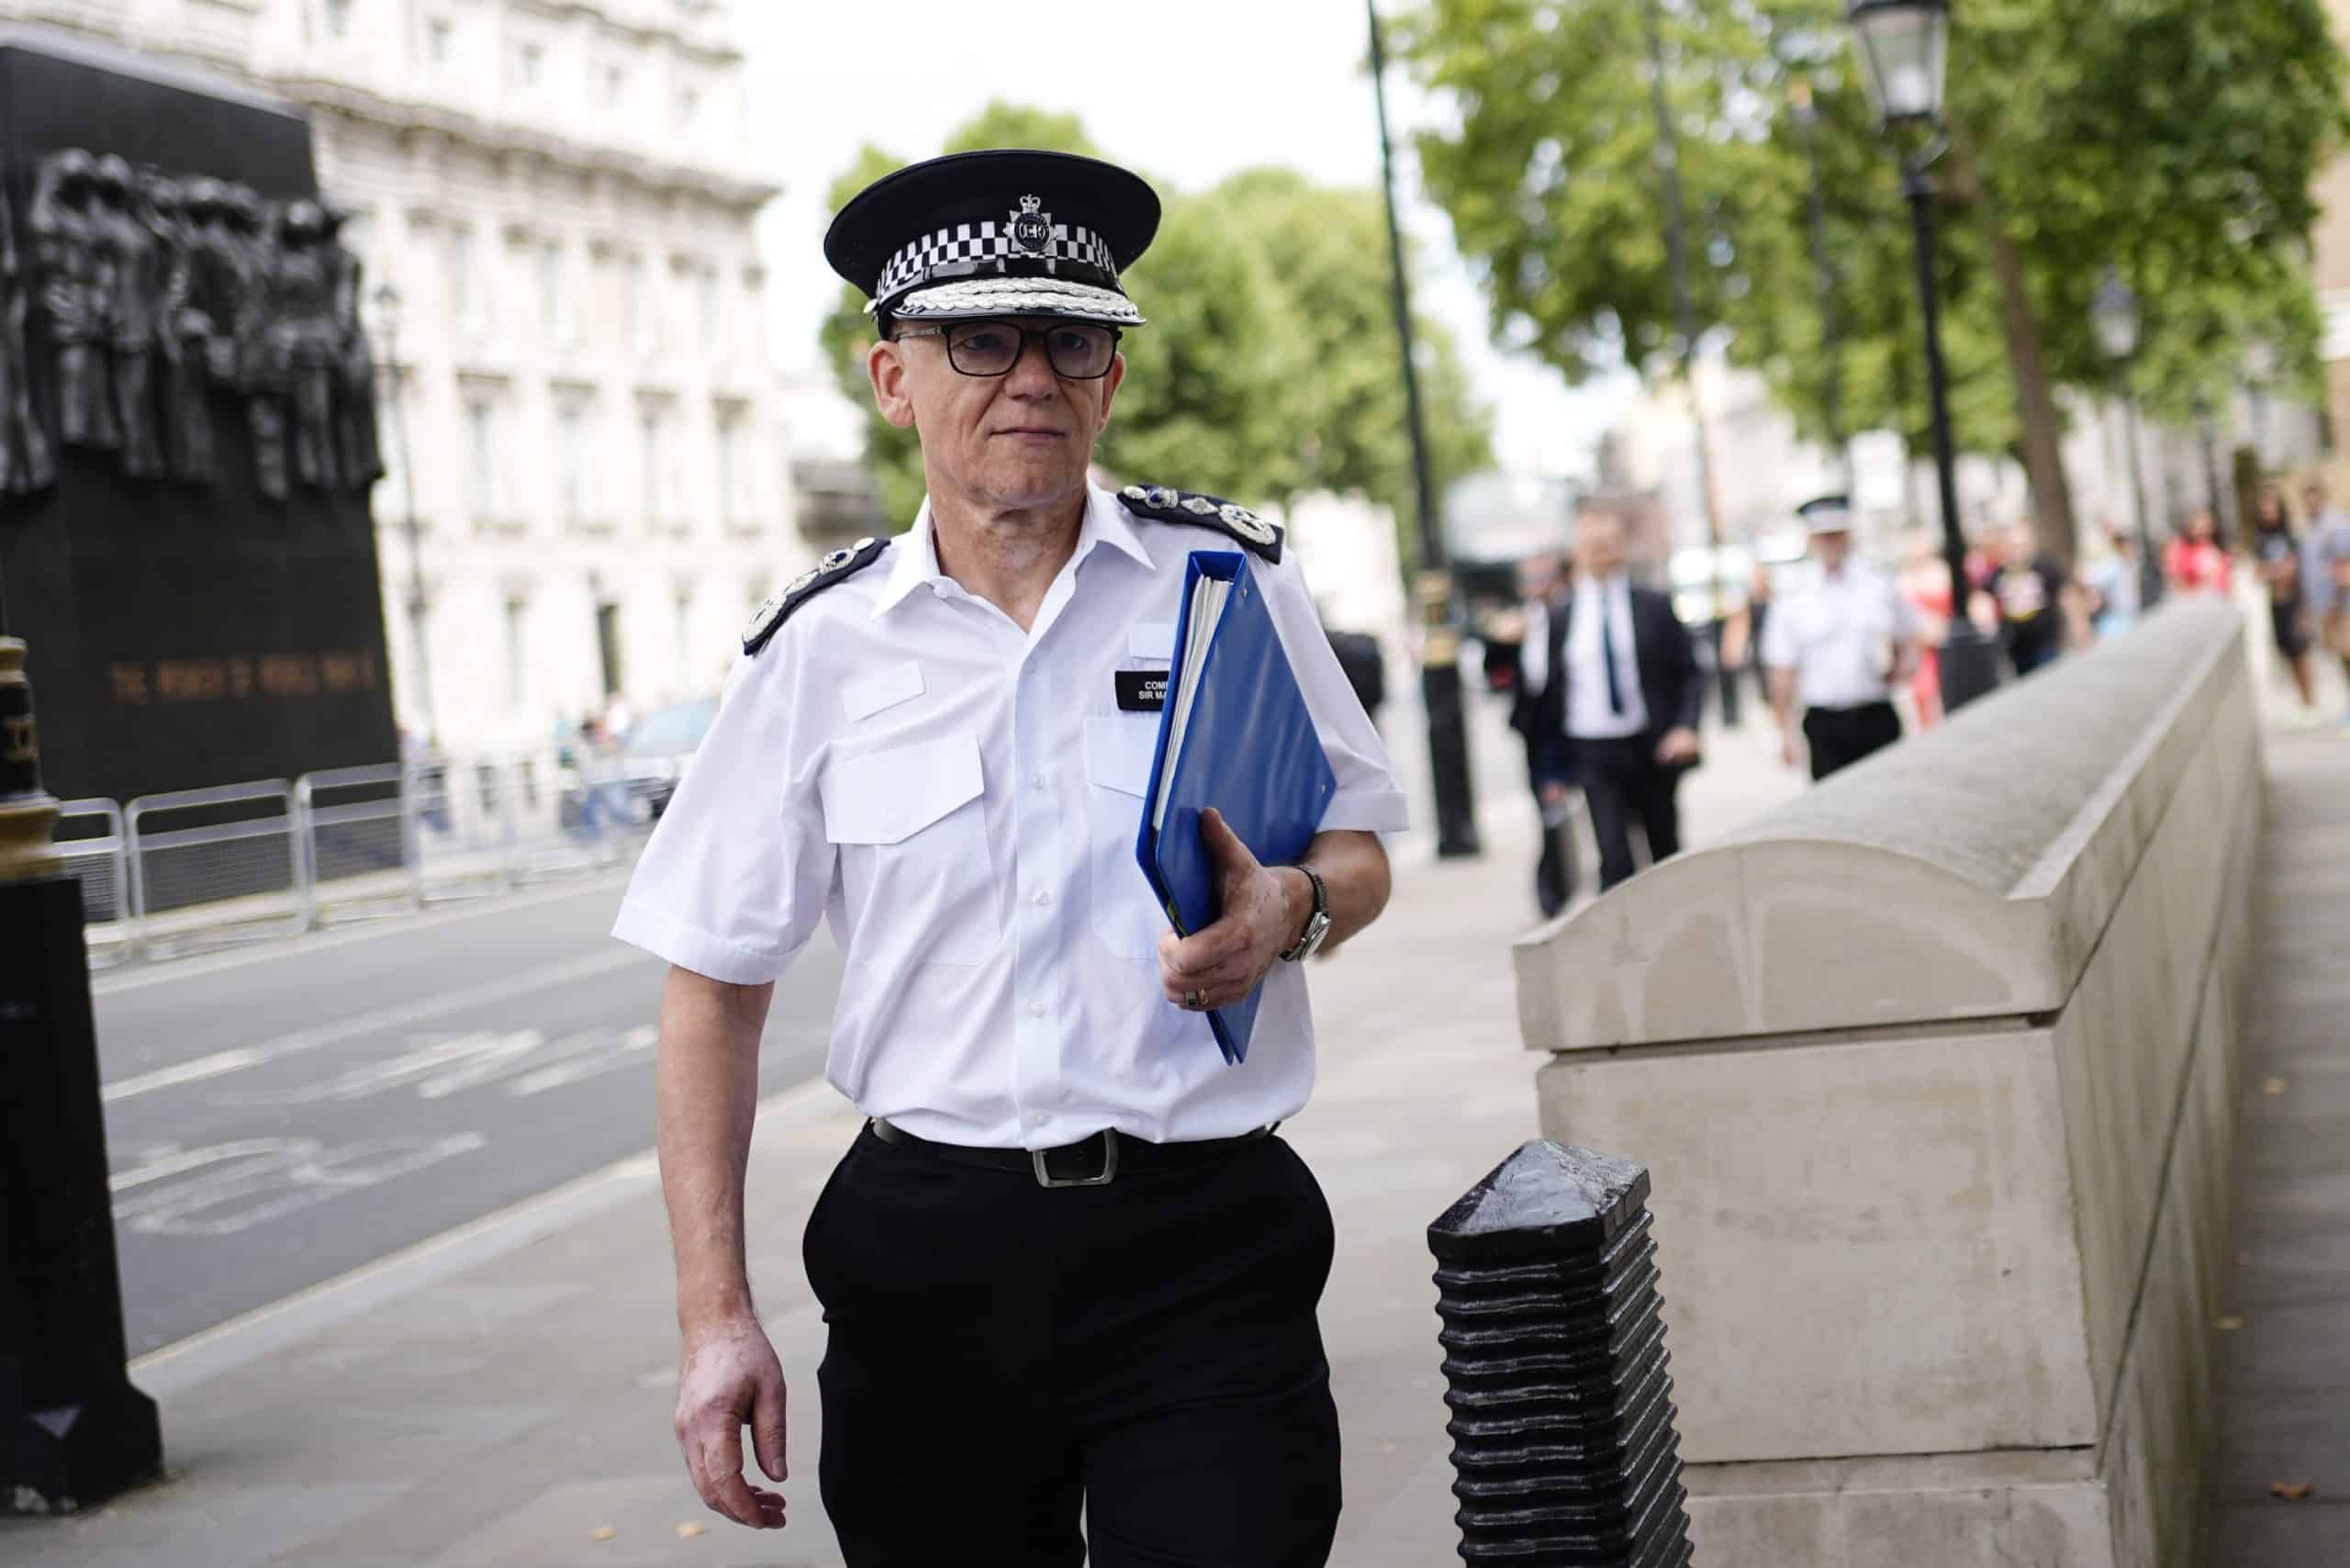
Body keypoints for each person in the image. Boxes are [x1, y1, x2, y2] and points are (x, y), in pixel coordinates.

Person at [612, 149, 1406, 1566]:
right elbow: (712, 989)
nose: (1029, 376)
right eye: (979, 338)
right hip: (930, 1272)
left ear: (1110, 379)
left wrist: (1290, 909)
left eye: (1072, 339)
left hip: (1203, 1251)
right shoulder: (817, 652)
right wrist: (714, 1317)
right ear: (892, 379)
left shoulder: (1229, 585)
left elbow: (1356, 849)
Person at [1517, 512, 1703, 893]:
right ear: (1576, 553)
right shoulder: (1559, 618)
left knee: (1665, 849)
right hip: (1592, 750)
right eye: (1592, 545)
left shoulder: (1652, 605)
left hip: (1651, 746)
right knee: (1614, 856)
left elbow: (1690, 671)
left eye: (1609, 544)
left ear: (1623, 548)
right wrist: (1550, 771)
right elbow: (1546, 698)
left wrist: (1685, 726)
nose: (1601, 553)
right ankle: (1623, 945)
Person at [1763, 495, 1923, 781]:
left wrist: (1904, 668)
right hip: (1825, 723)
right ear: (1811, 539)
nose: (1831, 543)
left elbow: (1911, 633)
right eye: (1824, 537)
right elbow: (1781, 672)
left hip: (1876, 712)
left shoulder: (1877, 583)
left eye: (1836, 535)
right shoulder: (1794, 596)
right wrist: (1784, 734)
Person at [1505, 548, 1579, 915]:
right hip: (1538, 737)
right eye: (1529, 579)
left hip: (1573, 734)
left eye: (1541, 577)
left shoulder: (1574, 615)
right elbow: (1500, 673)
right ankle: (1553, 894)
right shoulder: (1525, 622)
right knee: (1550, 818)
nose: (1534, 586)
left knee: (1574, 817)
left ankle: (1561, 888)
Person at [2249, 483, 2319, 712]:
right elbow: (2259, 572)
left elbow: (2292, 568)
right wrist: (2274, 571)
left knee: (2302, 653)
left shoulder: (2289, 536)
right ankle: (2304, 703)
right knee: (2288, 655)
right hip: (2275, 604)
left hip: (2294, 601)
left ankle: (2311, 701)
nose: (2269, 513)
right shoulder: (2260, 540)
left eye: (2273, 507)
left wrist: (2275, 571)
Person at [1984, 522, 2069, 678]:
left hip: (2045, 640)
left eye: (2020, 545)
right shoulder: (1999, 574)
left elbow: (2064, 595)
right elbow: (1986, 596)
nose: (2016, 551)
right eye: (2012, 546)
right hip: (2017, 644)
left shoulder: (2045, 567)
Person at [2303, 477, 2350, 724]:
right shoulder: (2311, 528)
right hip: (2325, 607)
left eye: (2315, 498)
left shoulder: (2335, 526)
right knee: (2342, 658)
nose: (2311, 503)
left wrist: (2335, 604)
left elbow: (2345, 567)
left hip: (2341, 606)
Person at [1894, 529, 1952, 727]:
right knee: (1922, 693)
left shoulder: (1941, 573)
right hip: (1919, 649)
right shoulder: (1904, 579)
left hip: (1942, 643)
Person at [2082, 519, 2144, 641]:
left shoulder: (2131, 564)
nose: (2132, 550)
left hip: (2131, 614)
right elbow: (2089, 578)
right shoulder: (2112, 566)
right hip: (2117, 618)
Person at [2164, 507, 2232, 598]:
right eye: (2199, 528)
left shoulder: (2218, 549)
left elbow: (2225, 577)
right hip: (2194, 600)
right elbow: (2176, 577)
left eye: (2206, 527)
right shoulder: (2181, 549)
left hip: (2218, 599)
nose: (2203, 531)